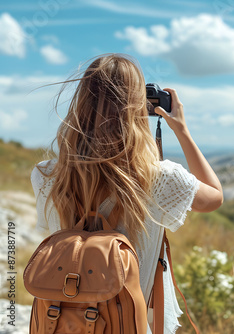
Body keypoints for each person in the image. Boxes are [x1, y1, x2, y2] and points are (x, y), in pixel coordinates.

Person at [30, 54, 223, 333]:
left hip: (63, 317)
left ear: (81, 102)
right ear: (136, 107)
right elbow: (214, 197)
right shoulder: (157, 177)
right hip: (127, 322)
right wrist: (182, 130)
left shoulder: (46, 174)